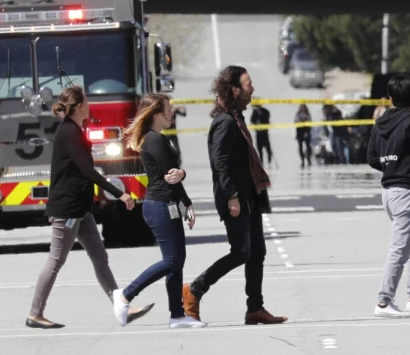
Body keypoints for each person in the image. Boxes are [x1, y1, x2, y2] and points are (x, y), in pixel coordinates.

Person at [26, 86, 153, 329]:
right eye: (86, 101)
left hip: (81, 211)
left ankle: (122, 309)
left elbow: (81, 173)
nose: (90, 105)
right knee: (55, 261)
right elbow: (87, 170)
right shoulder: (69, 133)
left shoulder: (75, 130)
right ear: (78, 106)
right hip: (67, 211)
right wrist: (120, 193)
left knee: (100, 258)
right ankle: (35, 313)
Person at [183, 66, 287, 326]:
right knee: (240, 252)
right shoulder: (225, 122)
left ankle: (255, 308)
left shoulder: (236, 118)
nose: (252, 88)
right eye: (248, 83)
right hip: (236, 198)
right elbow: (220, 162)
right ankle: (195, 289)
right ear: (235, 89)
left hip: (249, 196)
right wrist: (231, 196)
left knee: (257, 252)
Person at [117, 94, 204, 329]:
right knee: (172, 260)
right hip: (160, 205)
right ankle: (125, 295)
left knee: (177, 261)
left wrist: (184, 199)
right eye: (167, 109)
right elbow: (171, 174)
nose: (171, 112)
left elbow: (173, 175)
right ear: (156, 114)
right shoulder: (154, 140)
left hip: (166, 203)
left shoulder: (156, 138)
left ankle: (177, 315)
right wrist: (186, 198)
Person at [367, 74, 410, 318]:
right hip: (405, 192)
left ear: (391, 97)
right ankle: (384, 301)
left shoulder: (380, 122)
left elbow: (371, 158)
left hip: (388, 192)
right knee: (399, 249)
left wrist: (390, 165)